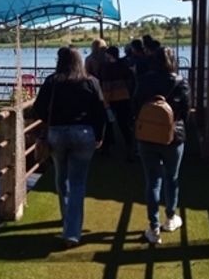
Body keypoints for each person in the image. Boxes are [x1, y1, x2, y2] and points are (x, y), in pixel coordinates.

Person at [33, 46, 106, 248]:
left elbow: (38, 109)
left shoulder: (52, 81)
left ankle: (67, 217)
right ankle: (72, 233)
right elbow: (100, 112)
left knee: (61, 176)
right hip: (84, 134)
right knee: (78, 183)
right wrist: (99, 137)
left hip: (57, 133)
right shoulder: (91, 82)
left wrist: (53, 116)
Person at [133, 46, 191, 244]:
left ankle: (153, 227)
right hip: (173, 137)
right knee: (171, 177)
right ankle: (170, 218)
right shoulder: (180, 82)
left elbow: (135, 107)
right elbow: (186, 111)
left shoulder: (143, 81)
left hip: (147, 137)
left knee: (152, 181)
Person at [99, 46, 135, 161]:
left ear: (109, 55)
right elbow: (130, 82)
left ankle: (106, 147)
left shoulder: (106, 67)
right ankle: (129, 147)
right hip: (124, 97)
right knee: (123, 124)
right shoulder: (124, 65)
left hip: (111, 99)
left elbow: (106, 86)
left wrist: (106, 101)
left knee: (108, 124)